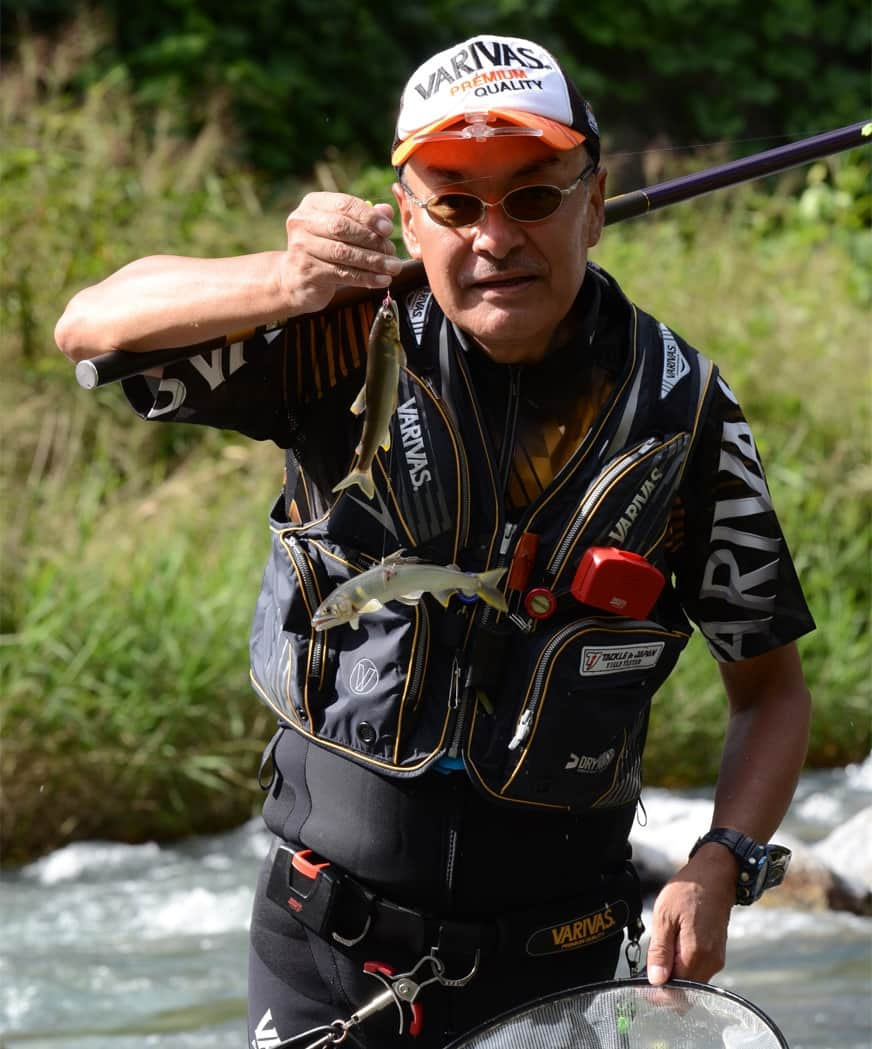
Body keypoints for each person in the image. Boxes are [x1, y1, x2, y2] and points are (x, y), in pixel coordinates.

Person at [55, 34, 814, 1049]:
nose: (494, 236)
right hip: (324, 951)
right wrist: (286, 278)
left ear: (593, 201)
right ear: (407, 218)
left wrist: (720, 857)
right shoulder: (338, 337)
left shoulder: (684, 414)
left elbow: (769, 689)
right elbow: (90, 324)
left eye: (532, 196)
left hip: (561, 966)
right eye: (455, 203)